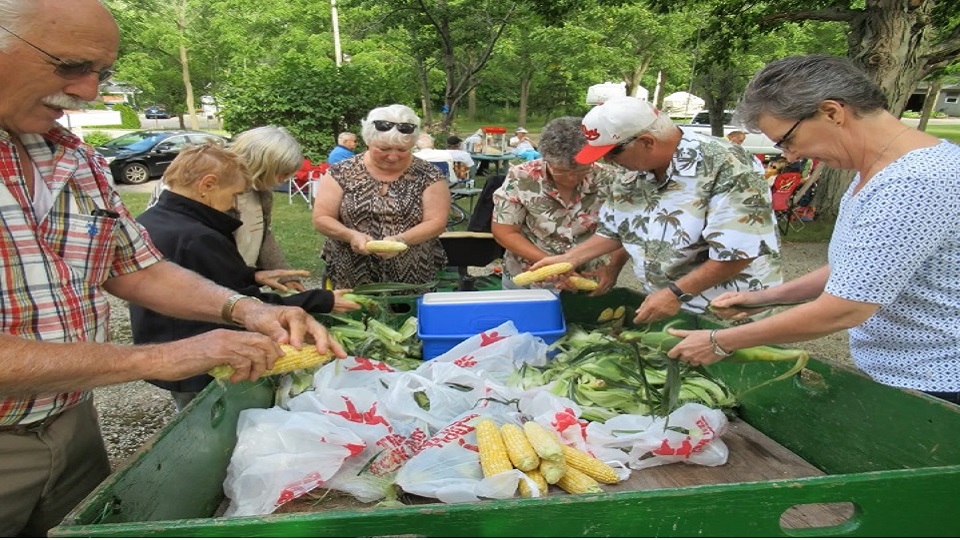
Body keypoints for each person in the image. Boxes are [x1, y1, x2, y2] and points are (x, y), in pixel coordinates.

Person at [0, 1, 343, 536]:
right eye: (70, 66)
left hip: (70, 422)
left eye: (101, 72)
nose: (88, 91)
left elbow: (137, 266)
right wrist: (168, 355)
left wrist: (245, 308)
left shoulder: (74, 157)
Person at [664, 55, 960, 405]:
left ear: (832, 112)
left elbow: (848, 307)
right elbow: (860, 269)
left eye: (787, 140)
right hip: (902, 371)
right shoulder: (879, 170)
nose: (789, 156)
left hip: (937, 378)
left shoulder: (912, 183)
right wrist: (767, 297)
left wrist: (720, 341)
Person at [131, 144, 360, 409]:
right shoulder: (198, 237)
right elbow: (244, 304)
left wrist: (255, 274)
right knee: (206, 413)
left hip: (164, 338)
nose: (234, 205)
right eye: (234, 195)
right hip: (198, 357)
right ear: (208, 185)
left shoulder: (152, 219)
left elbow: (199, 274)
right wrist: (322, 300)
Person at [530, 96, 782, 323]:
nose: (607, 162)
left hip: (726, 308)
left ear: (646, 142)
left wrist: (675, 293)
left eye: (611, 153)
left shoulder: (727, 165)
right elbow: (613, 231)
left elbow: (738, 252)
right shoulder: (630, 171)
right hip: (667, 303)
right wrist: (569, 259)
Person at [150, 125, 308, 292]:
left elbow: (263, 234)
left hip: (239, 281)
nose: (283, 180)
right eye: (282, 173)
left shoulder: (262, 194)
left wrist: (285, 277)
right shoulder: (204, 190)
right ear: (263, 165)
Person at [313, 104, 449, 291]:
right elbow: (322, 218)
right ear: (368, 141)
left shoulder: (429, 175)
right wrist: (352, 235)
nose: (393, 156)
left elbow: (436, 222)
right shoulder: (341, 172)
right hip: (350, 269)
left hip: (413, 270)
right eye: (383, 148)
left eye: (402, 150)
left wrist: (401, 240)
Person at [491, 116, 629, 294]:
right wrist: (556, 265)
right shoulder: (521, 177)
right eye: (562, 171)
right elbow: (505, 232)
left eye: (581, 170)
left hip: (590, 275)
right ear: (545, 159)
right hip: (530, 274)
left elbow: (627, 231)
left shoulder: (613, 180)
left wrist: (613, 268)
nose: (572, 178)